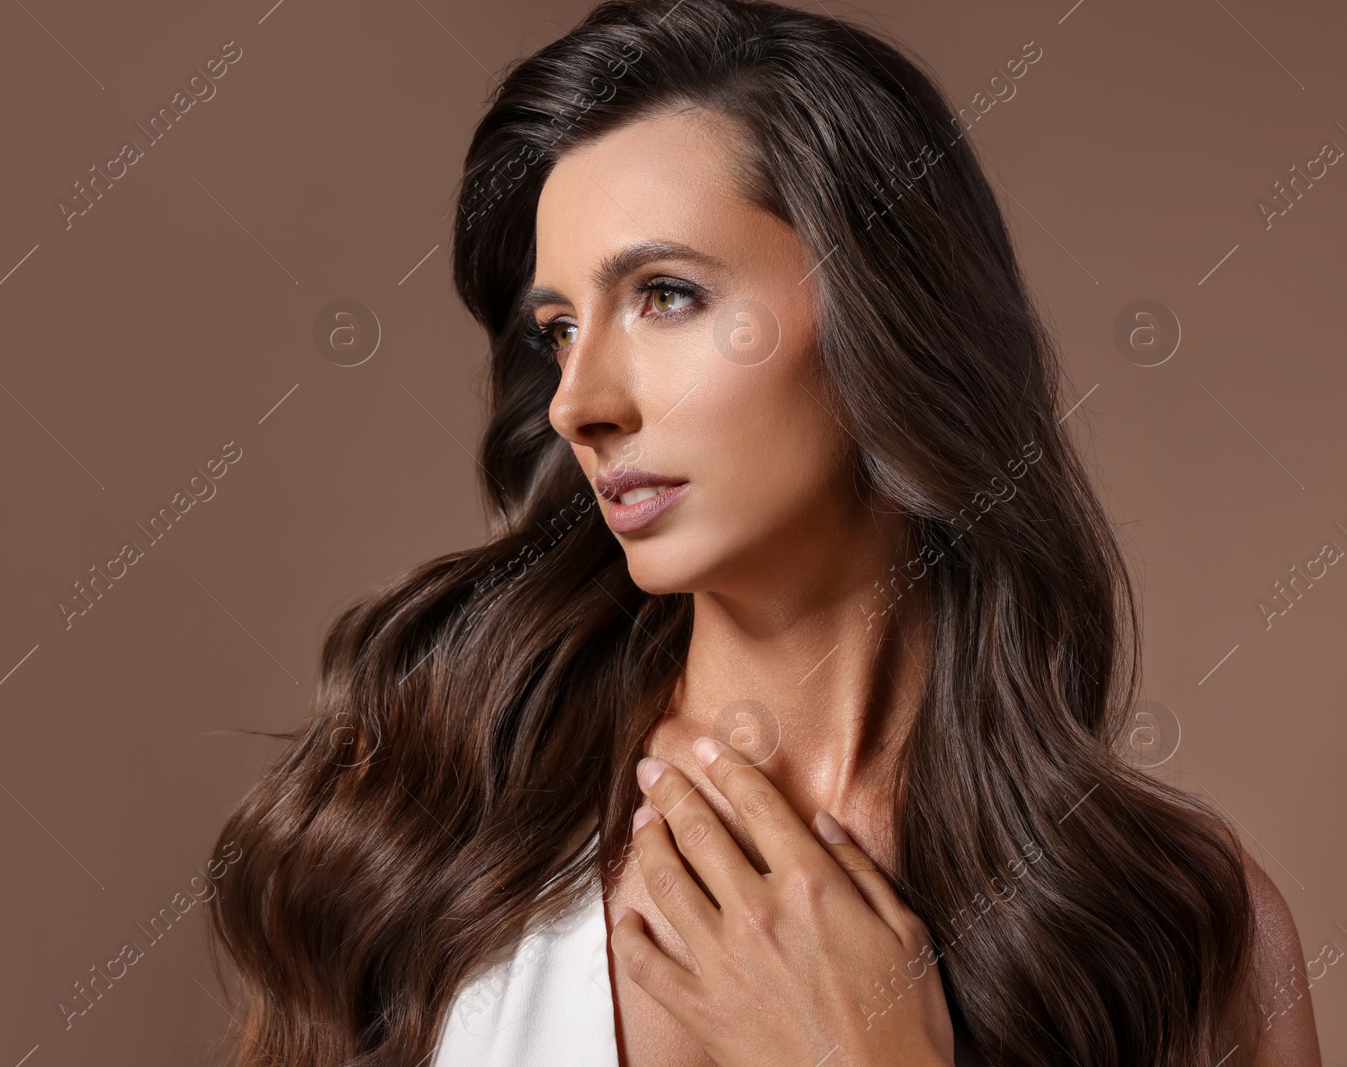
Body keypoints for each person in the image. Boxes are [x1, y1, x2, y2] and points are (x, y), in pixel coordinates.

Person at [206, 2, 1323, 1064]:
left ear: (882, 307)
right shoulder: (428, 819)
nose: (575, 400)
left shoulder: (1176, 926)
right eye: (558, 328)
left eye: (665, 295)